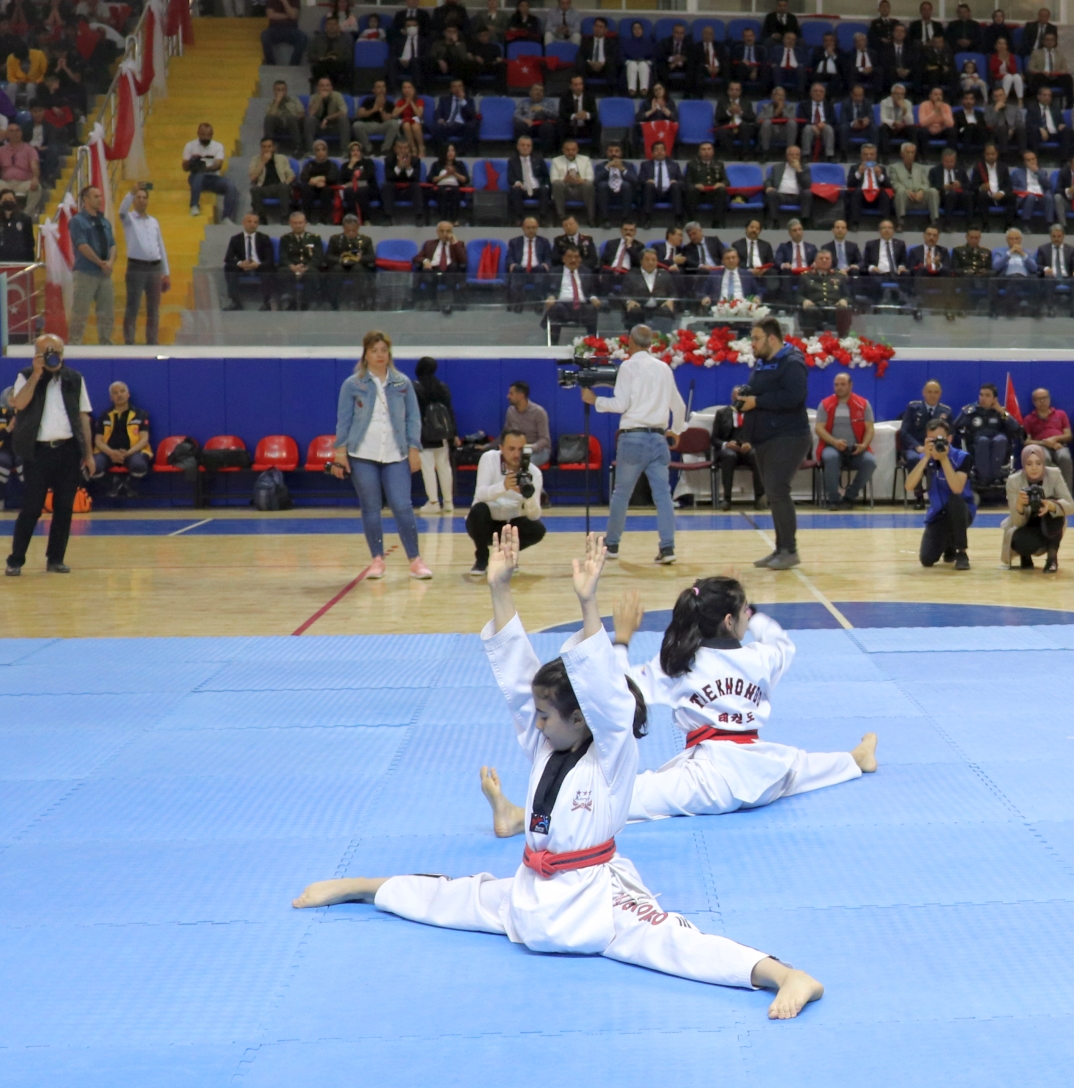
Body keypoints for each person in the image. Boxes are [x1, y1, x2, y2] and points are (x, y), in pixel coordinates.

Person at [293, 533, 825, 1021]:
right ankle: (363, 886)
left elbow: (606, 694)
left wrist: (589, 607)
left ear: (581, 717)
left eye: (547, 715)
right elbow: (518, 673)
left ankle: (786, 974)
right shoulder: (549, 741)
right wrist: (500, 589)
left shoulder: (611, 754)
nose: (536, 723)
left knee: (677, 947)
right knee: (455, 897)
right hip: (534, 892)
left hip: (597, 901)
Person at [479, 575, 872, 825]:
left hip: (708, 781)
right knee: (803, 767)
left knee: (625, 796)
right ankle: (856, 759)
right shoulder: (763, 657)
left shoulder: (680, 664)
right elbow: (783, 643)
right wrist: (755, 615)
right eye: (741, 614)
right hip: (763, 771)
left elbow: (619, 691)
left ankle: (524, 815)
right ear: (733, 621)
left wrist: (622, 639)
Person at [330, 331, 430, 581]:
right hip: (362, 454)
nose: (380, 355)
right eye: (374, 350)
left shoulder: (402, 383)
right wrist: (340, 453)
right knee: (371, 507)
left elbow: (413, 419)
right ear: (365, 354)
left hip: (396, 454)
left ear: (390, 353)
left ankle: (415, 560)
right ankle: (377, 559)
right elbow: (344, 421)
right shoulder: (353, 385)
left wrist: (414, 449)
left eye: (384, 350)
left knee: (402, 505)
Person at [581, 325, 683, 565]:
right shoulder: (664, 368)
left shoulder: (628, 366)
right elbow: (679, 407)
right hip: (658, 439)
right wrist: (676, 430)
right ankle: (667, 547)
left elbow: (620, 404)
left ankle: (613, 544)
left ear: (630, 342)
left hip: (633, 437)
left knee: (621, 494)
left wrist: (595, 400)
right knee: (663, 496)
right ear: (650, 343)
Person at [6, 336, 93, 575]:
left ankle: (55, 558)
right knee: (32, 508)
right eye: (47, 352)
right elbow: (20, 404)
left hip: (68, 451)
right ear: (37, 354)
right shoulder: (25, 375)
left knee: (64, 508)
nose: (54, 356)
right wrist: (37, 374)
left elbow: (83, 417)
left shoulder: (74, 379)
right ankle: (15, 560)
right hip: (38, 452)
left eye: (58, 352)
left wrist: (88, 453)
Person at [738, 317, 811, 569]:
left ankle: (790, 550)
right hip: (766, 437)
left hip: (789, 436)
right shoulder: (763, 362)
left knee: (778, 489)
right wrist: (744, 392)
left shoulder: (792, 362)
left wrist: (757, 402)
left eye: (756, 339)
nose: (752, 344)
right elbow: (759, 389)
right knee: (773, 491)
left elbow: (795, 396)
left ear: (771, 338)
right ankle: (780, 548)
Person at [465, 430, 545, 573]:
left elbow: (534, 516)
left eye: (520, 449)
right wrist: (503, 486)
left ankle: (508, 554)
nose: (516, 454)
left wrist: (529, 497)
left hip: (509, 526)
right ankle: (482, 559)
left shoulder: (534, 473)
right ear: (501, 448)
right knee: (478, 510)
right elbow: (480, 494)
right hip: (484, 525)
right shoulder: (488, 459)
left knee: (538, 529)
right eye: (511, 449)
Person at [905, 417, 975, 570]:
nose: (937, 443)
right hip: (938, 514)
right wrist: (926, 457)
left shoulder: (963, 458)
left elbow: (957, 488)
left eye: (940, 439)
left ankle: (961, 552)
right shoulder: (924, 457)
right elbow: (909, 485)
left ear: (949, 439)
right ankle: (948, 543)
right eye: (932, 439)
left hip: (962, 511)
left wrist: (944, 460)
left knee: (954, 499)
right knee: (927, 560)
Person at [999, 443, 1073, 572]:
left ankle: (1052, 558)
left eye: (1038, 463)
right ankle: (1025, 556)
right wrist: (1019, 506)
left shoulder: (1054, 474)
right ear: (1023, 464)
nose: (1034, 468)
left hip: (1049, 524)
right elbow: (1017, 522)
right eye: (1029, 464)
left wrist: (1052, 506)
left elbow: (1070, 506)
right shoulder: (1013, 481)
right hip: (1025, 525)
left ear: (1044, 463)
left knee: (1056, 511)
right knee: (1020, 542)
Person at [814, 372, 876, 510]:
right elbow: (819, 429)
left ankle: (850, 496)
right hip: (831, 447)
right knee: (830, 457)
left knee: (870, 462)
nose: (839, 388)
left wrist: (864, 445)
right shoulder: (825, 404)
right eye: (836, 385)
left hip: (856, 449)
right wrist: (835, 442)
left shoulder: (863, 404)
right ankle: (833, 499)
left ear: (850, 385)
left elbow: (870, 429)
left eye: (843, 384)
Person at [118, 186, 169, 344]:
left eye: (144, 197)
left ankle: (152, 342)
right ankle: (129, 341)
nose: (141, 200)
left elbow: (160, 246)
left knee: (153, 308)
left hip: (155, 267)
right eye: (138, 197)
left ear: (147, 200)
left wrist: (166, 272)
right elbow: (121, 211)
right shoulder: (129, 219)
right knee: (132, 306)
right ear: (134, 200)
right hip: (136, 267)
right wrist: (130, 192)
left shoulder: (154, 222)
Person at [67, 185, 115, 344]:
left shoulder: (104, 221)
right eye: (95, 196)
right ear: (85, 200)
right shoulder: (77, 221)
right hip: (86, 272)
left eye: (100, 196)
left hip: (104, 274)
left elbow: (113, 244)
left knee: (106, 312)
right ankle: (75, 342)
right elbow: (82, 245)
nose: (100, 199)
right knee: (80, 311)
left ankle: (106, 341)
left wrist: (110, 262)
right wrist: (100, 262)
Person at [896, 381, 953, 507]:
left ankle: (937, 495)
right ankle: (919, 495)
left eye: (936, 392)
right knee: (913, 458)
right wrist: (918, 447)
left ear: (940, 394)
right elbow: (904, 432)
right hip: (915, 447)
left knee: (943, 459)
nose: (933, 395)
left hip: (937, 448)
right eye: (930, 392)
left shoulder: (946, 412)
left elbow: (951, 434)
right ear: (923, 393)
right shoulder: (913, 408)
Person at [412, 357, 457, 514]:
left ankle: (433, 502)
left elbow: (413, 414)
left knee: (428, 468)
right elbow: (450, 411)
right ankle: (449, 502)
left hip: (424, 434)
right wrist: (453, 434)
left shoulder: (416, 387)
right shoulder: (442, 387)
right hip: (443, 434)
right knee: (445, 467)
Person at [90, 380, 150, 498]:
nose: (120, 395)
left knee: (139, 467)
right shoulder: (104, 415)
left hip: (133, 452)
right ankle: (115, 483)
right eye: (115, 393)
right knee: (93, 468)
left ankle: (127, 484)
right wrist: (112, 453)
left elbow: (144, 439)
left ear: (128, 394)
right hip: (108, 453)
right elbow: (98, 440)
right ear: (111, 397)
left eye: (122, 391)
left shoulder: (141, 414)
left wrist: (127, 453)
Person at [1020, 388, 1074, 488]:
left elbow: (1069, 436)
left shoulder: (1061, 414)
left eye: (1044, 398)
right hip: (1040, 447)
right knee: (1044, 458)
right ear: (1033, 402)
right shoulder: (1029, 418)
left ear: (1049, 399)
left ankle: (1067, 494)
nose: (1042, 401)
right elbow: (1027, 442)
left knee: (1064, 457)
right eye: (1038, 399)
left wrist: (1055, 439)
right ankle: (1048, 493)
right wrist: (1045, 443)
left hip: (1060, 446)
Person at [503, 382, 552, 468]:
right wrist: (486, 447)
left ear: (521, 395)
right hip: (517, 450)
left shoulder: (539, 412)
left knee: (522, 463)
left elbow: (545, 440)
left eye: (511, 393)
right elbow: (505, 434)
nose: (508, 396)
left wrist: (528, 448)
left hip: (538, 451)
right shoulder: (510, 411)